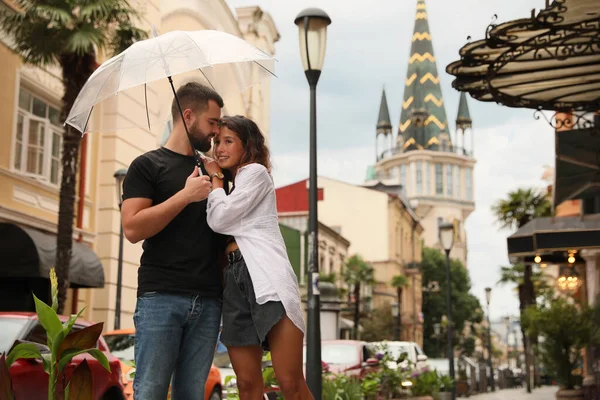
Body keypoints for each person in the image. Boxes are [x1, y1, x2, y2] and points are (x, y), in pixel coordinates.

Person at [120, 82, 224, 400]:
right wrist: (185, 195)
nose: (216, 133)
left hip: (208, 300)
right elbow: (133, 228)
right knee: (150, 391)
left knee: (192, 394)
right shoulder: (147, 166)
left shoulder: (212, 170)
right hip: (160, 297)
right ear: (188, 115)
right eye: (212, 123)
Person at [203, 115, 313, 400]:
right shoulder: (231, 186)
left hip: (265, 278)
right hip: (233, 282)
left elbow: (220, 218)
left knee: (289, 381)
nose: (219, 149)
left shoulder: (255, 173)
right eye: (217, 142)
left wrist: (214, 177)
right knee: (247, 385)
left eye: (228, 141)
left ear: (247, 146)